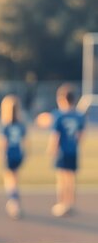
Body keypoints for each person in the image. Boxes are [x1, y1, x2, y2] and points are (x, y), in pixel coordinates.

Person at [47, 83, 86, 217]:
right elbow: (81, 135)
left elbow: (55, 135)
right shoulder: (79, 116)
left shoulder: (58, 116)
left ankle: (62, 203)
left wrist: (52, 149)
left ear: (62, 99)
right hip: (73, 150)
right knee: (72, 178)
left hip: (62, 152)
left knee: (61, 178)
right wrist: (75, 144)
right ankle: (70, 203)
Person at [0, 95, 28, 219]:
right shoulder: (21, 124)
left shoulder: (5, 124)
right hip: (18, 153)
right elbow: (24, 141)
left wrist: (1, 154)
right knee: (15, 178)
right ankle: (15, 201)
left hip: (9, 154)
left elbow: (3, 142)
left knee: (9, 180)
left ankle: (14, 203)